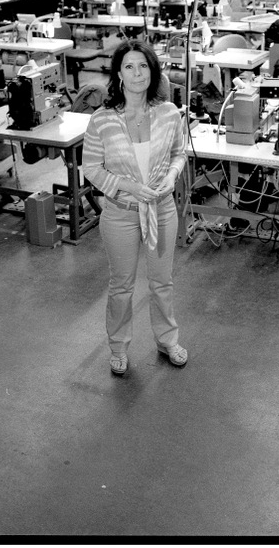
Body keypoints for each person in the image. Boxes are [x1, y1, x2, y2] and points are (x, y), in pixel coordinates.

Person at [83, 40, 188, 375]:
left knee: (162, 282)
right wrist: (128, 186)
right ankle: (118, 346)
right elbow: (92, 168)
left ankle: (167, 340)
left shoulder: (169, 113)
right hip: (120, 213)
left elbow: (179, 153)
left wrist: (172, 176)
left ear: (152, 71)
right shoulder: (102, 120)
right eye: (129, 66)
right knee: (121, 286)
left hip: (162, 209)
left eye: (143, 65)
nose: (137, 72)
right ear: (119, 73)